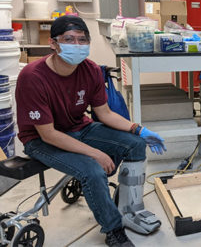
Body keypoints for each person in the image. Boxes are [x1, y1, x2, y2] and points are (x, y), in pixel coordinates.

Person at [15, 16, 166, 247]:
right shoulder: (33, 77)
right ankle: (113, 229)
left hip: (78, 127)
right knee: (93, 171)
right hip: (41, 139)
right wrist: (95, 154)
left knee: (135, 144)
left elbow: (104, 113)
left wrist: (139, 129)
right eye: (69, 39)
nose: (76, 45)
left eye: (82, 40)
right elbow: (49, 134)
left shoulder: (91, 70)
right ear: (53, 43)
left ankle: (129, 210)